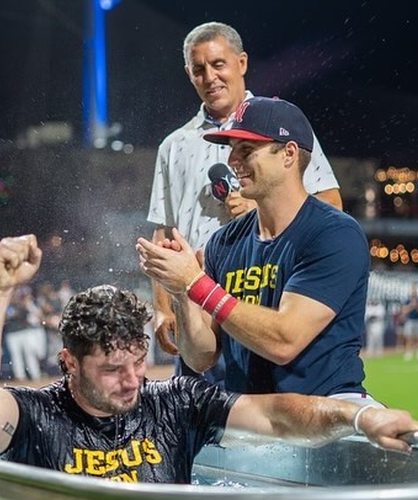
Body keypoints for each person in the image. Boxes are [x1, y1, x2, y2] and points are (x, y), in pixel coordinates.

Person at [0, 235, 418, 484]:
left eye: (138, 361)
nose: (132, 380)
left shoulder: (174, 402)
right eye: (111, 370)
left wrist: (358, 415)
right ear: (68, 361)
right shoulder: (39, 416)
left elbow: (278, 416)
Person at [137, 96, 375, 403]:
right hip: (253, 416)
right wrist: (182, 293)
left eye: (247, 150)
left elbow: (285, 340)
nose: (233, 160)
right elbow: (201, 357)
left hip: (326, 410)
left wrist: (197, 284)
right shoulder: (225, 241)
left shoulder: (334, 233)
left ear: (288, 154)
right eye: (232, 148)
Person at [146, 21, 343, 385]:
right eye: (198, 69)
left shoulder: (281, 125)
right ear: (188, 74)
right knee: (199, 420)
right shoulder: (173, 145)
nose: (210, 77)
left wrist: (266, 211)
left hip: (263, 292)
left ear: (242, 63)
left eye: (218, 64)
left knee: (271, 414)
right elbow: (165, 231)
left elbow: (330, 203)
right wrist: (161, 307)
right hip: (197, 306)